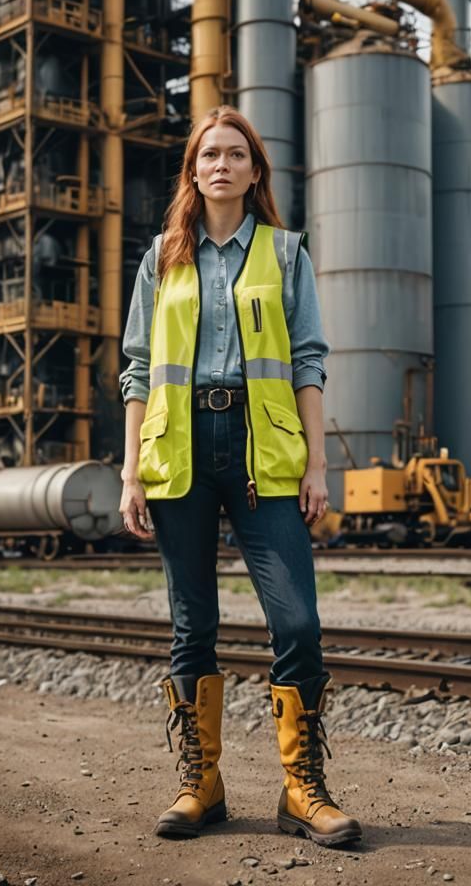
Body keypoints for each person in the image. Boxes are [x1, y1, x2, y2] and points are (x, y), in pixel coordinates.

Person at [118, 106, 362, 847]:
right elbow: (138, 369)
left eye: (235, 154)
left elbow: (308, 360)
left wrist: (318, 462)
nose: (220, 165)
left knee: (298, 623)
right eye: (209, 155)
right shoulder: (162, 258)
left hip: (264, 451)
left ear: (255, 171)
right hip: (180, 448)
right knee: (192, 625)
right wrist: (130, 472)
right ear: (193, 172)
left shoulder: (286, 254)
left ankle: (301, 789)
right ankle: (202, 785)